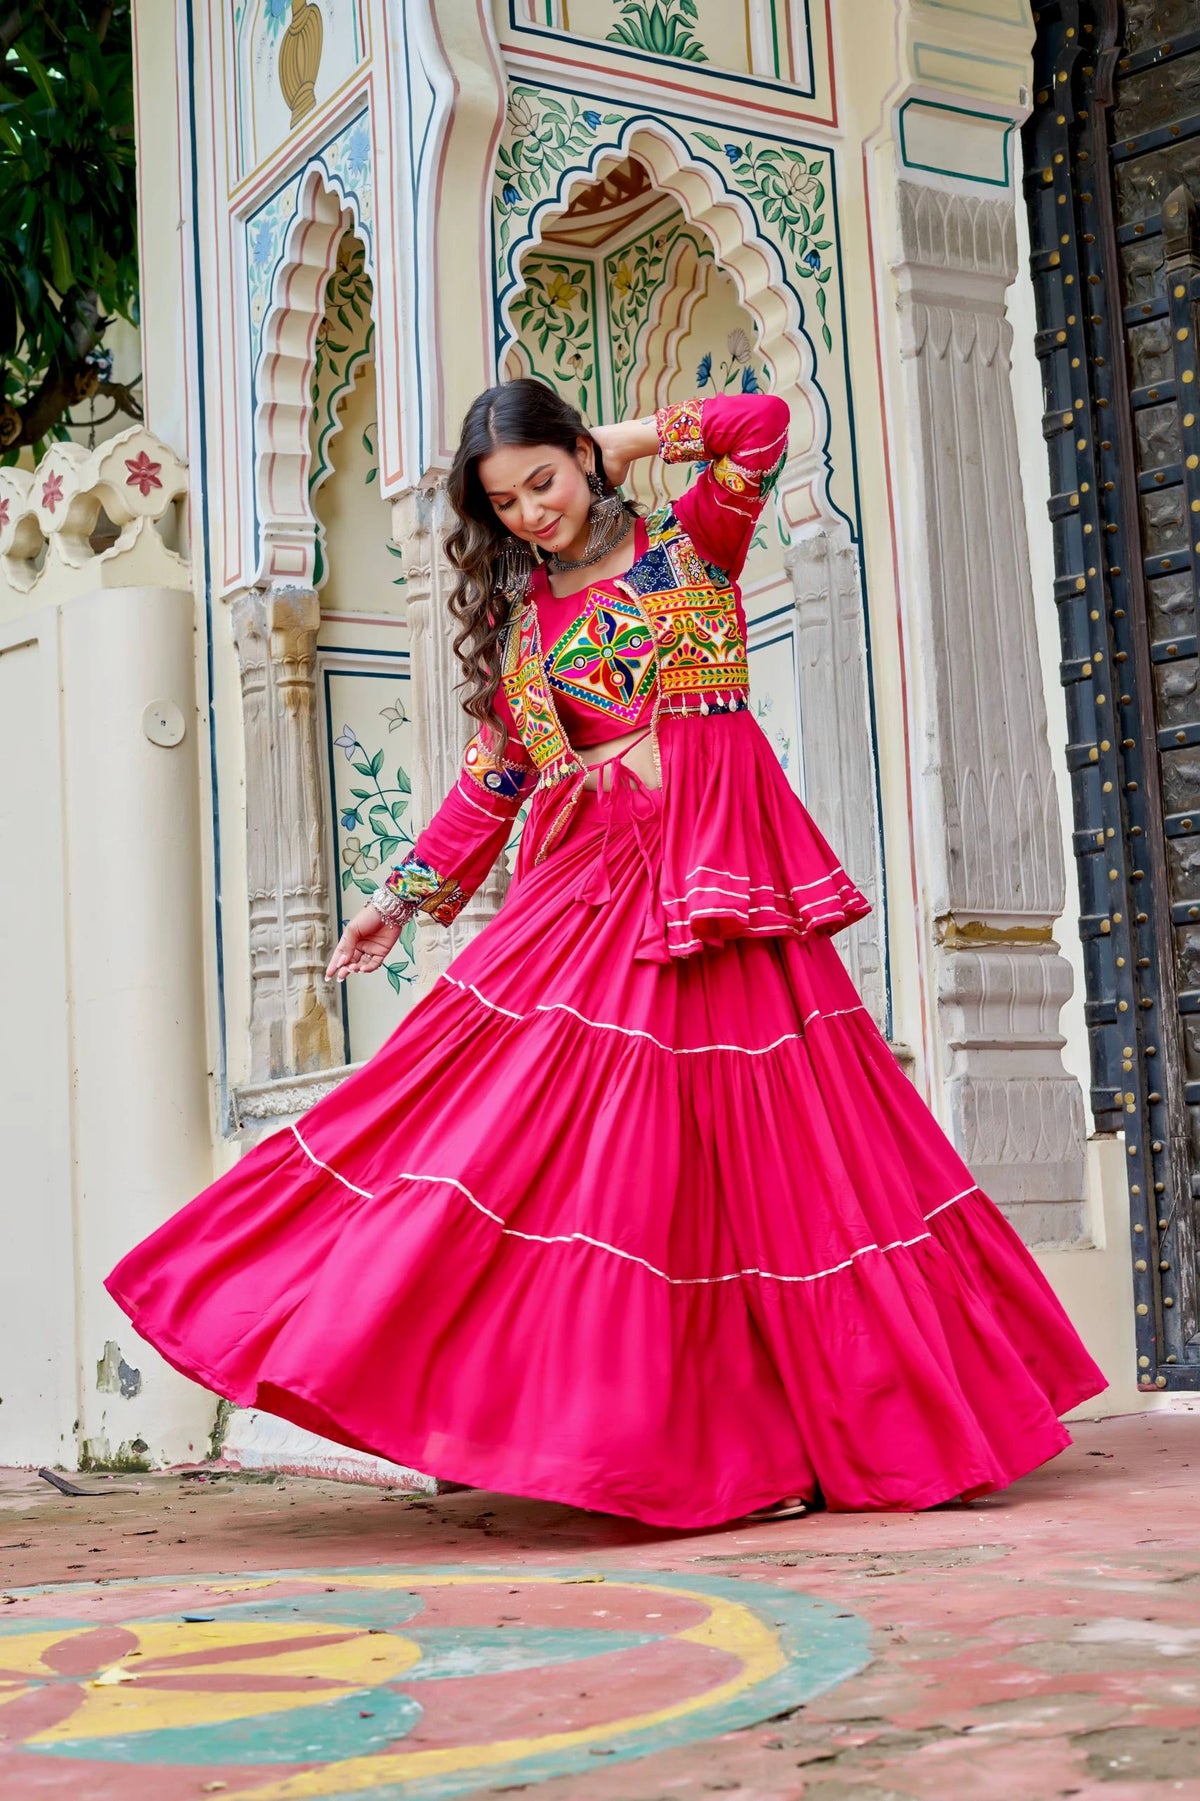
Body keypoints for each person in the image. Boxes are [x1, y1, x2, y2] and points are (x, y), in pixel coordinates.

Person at [106, 381, 1106, 1529]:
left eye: (544, 480)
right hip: (590, 897)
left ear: (580, 457)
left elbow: (761, 426)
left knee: (777, 1161)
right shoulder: (525, 629)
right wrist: (395, 900)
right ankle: (649, 1440)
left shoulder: (692, 547)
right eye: (506, 502)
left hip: (712, 889)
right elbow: (495, 780)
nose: (533, 512)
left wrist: (620, 442)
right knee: (558, 1143)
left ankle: (825, 1437)